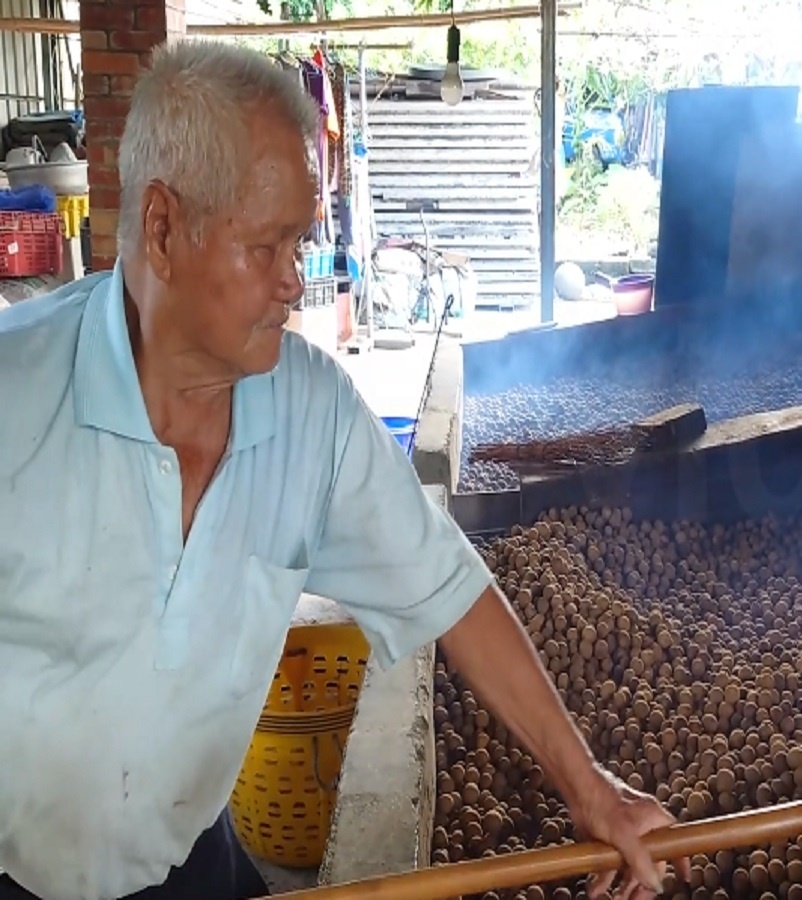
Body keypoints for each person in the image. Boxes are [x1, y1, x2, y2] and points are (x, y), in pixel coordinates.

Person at [0, 40, 687, 900]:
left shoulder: (311, 409)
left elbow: (448, 587)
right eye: (270, 245)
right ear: (165, 228)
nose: (297, 281)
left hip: (185, 860)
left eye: (305, 241)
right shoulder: (16, 398)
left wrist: (592, 787)